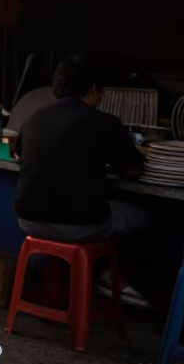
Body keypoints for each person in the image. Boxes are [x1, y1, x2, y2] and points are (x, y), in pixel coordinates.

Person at [16, 54, 145, 243]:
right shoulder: (106, 122)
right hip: (79, 224)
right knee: (141, 216)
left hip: (28, 220)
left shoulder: (34, 118)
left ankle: (96, 271)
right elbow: (132, 170)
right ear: (94, 90)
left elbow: (19, 154)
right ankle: (110, 270)